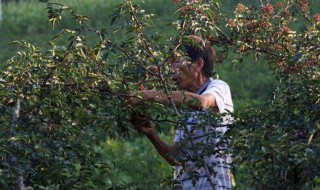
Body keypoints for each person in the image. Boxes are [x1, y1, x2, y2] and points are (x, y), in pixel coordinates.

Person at [128, 35, 234, 190]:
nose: (171, 70)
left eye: (176, 61)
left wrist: (148, 95)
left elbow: (202, 102)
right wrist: (151, 134)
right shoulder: (186, 109)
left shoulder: (219, 88)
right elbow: (177, 158)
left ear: (198, 64)